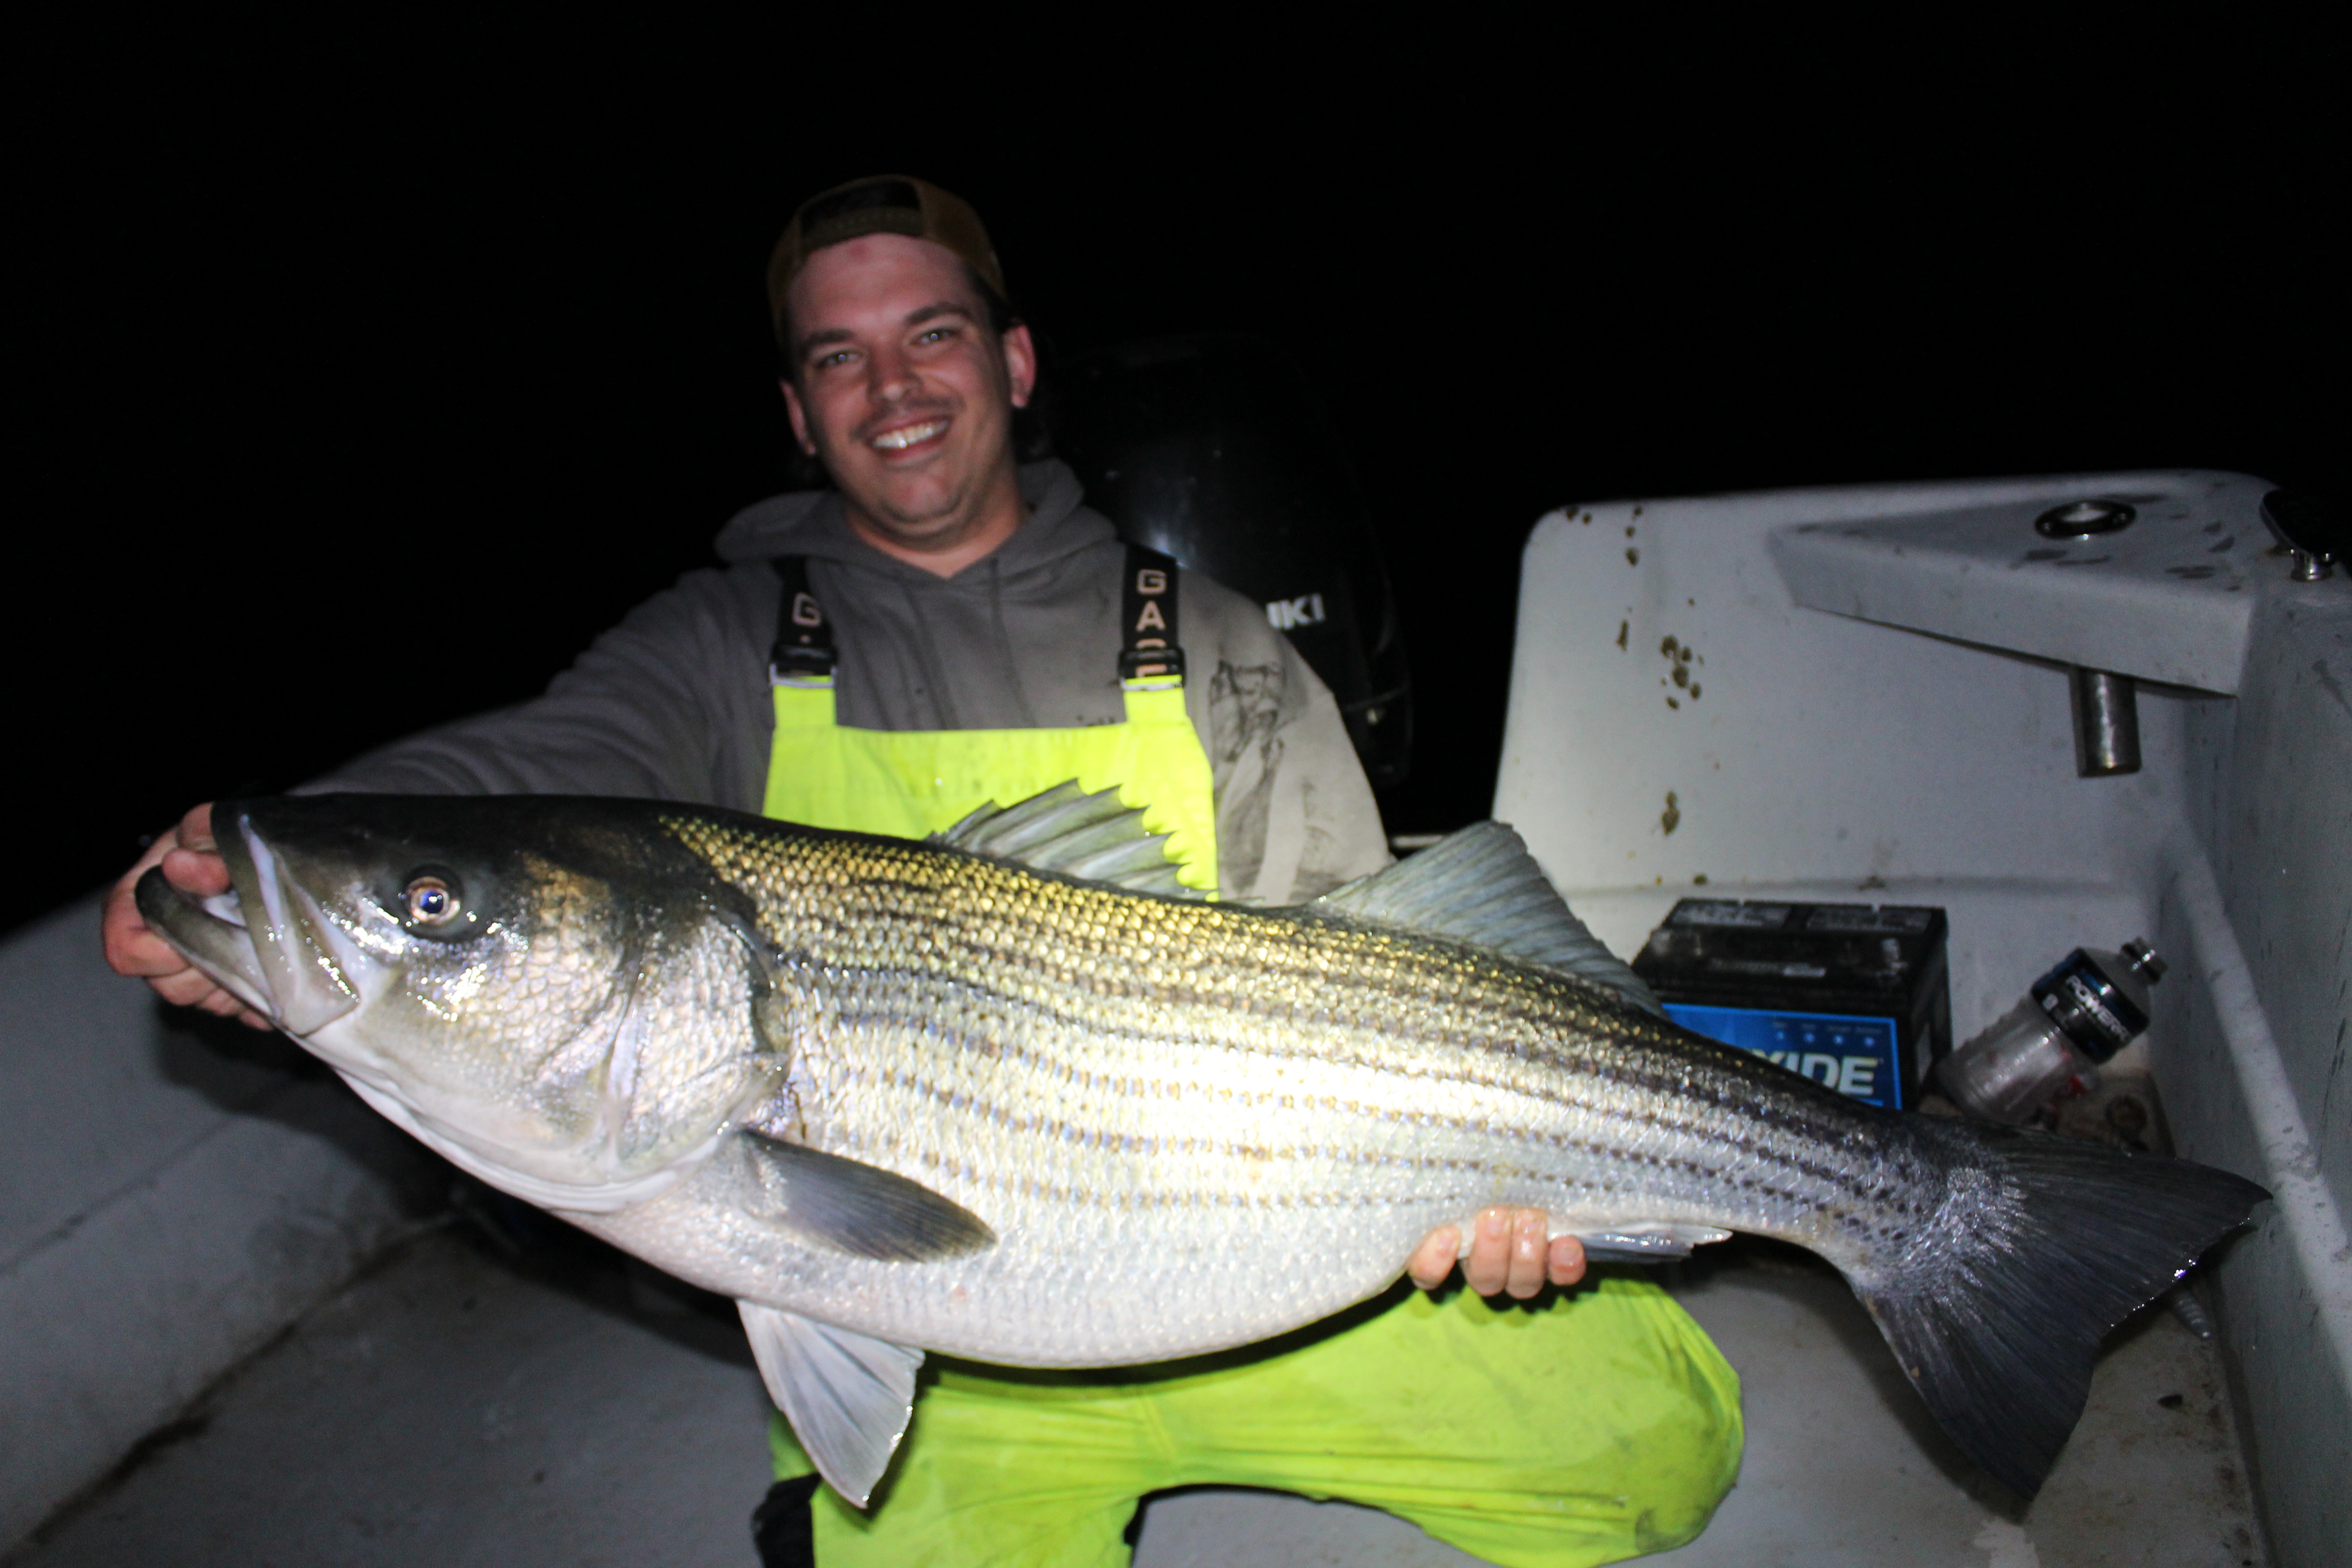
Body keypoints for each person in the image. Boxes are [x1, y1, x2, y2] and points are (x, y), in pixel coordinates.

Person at [103, 176, 1740, 1568]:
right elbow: (516, 770)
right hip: (954, 1362)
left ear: (1015, 363)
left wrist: (1490, 1194)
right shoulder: (723, 644)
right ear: (798, 412)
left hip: (1293, 1259)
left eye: (931, 333)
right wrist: (275, 845)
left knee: (1661, 1441)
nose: (893, 386)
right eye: (839, 356)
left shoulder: (1219, 643)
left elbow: (1373, 951)